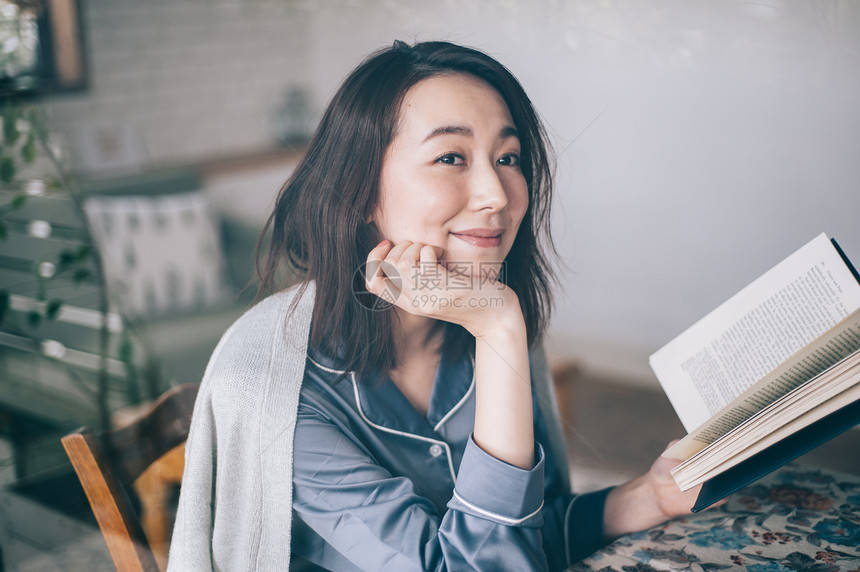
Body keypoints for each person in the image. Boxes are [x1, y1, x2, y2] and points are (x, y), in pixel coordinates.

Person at [168, 40, 709, 572]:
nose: (495, 193)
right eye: (451, 157)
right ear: (358, 192)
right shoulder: (277, 391)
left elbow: (522, 536)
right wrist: (499, 328)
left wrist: (650, 496)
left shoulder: (477, 317)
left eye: (508, 158)